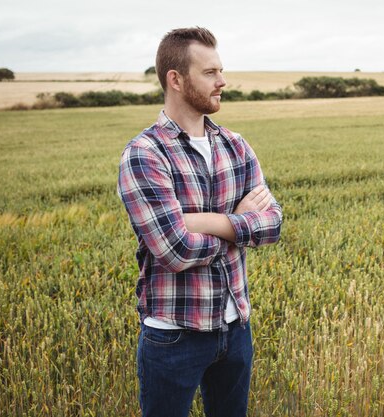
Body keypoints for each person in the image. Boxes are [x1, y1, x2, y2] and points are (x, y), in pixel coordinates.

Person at [117, 27, 283, 417]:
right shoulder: (145, 154)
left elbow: (273, 223)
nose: (222, 81)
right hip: (174, 336)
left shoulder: (234, 144)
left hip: (236, 328)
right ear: (175, 79)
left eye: (220, 70)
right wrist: (239, 225)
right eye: (210, 73)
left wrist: (203, 221)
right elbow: (175, 249)